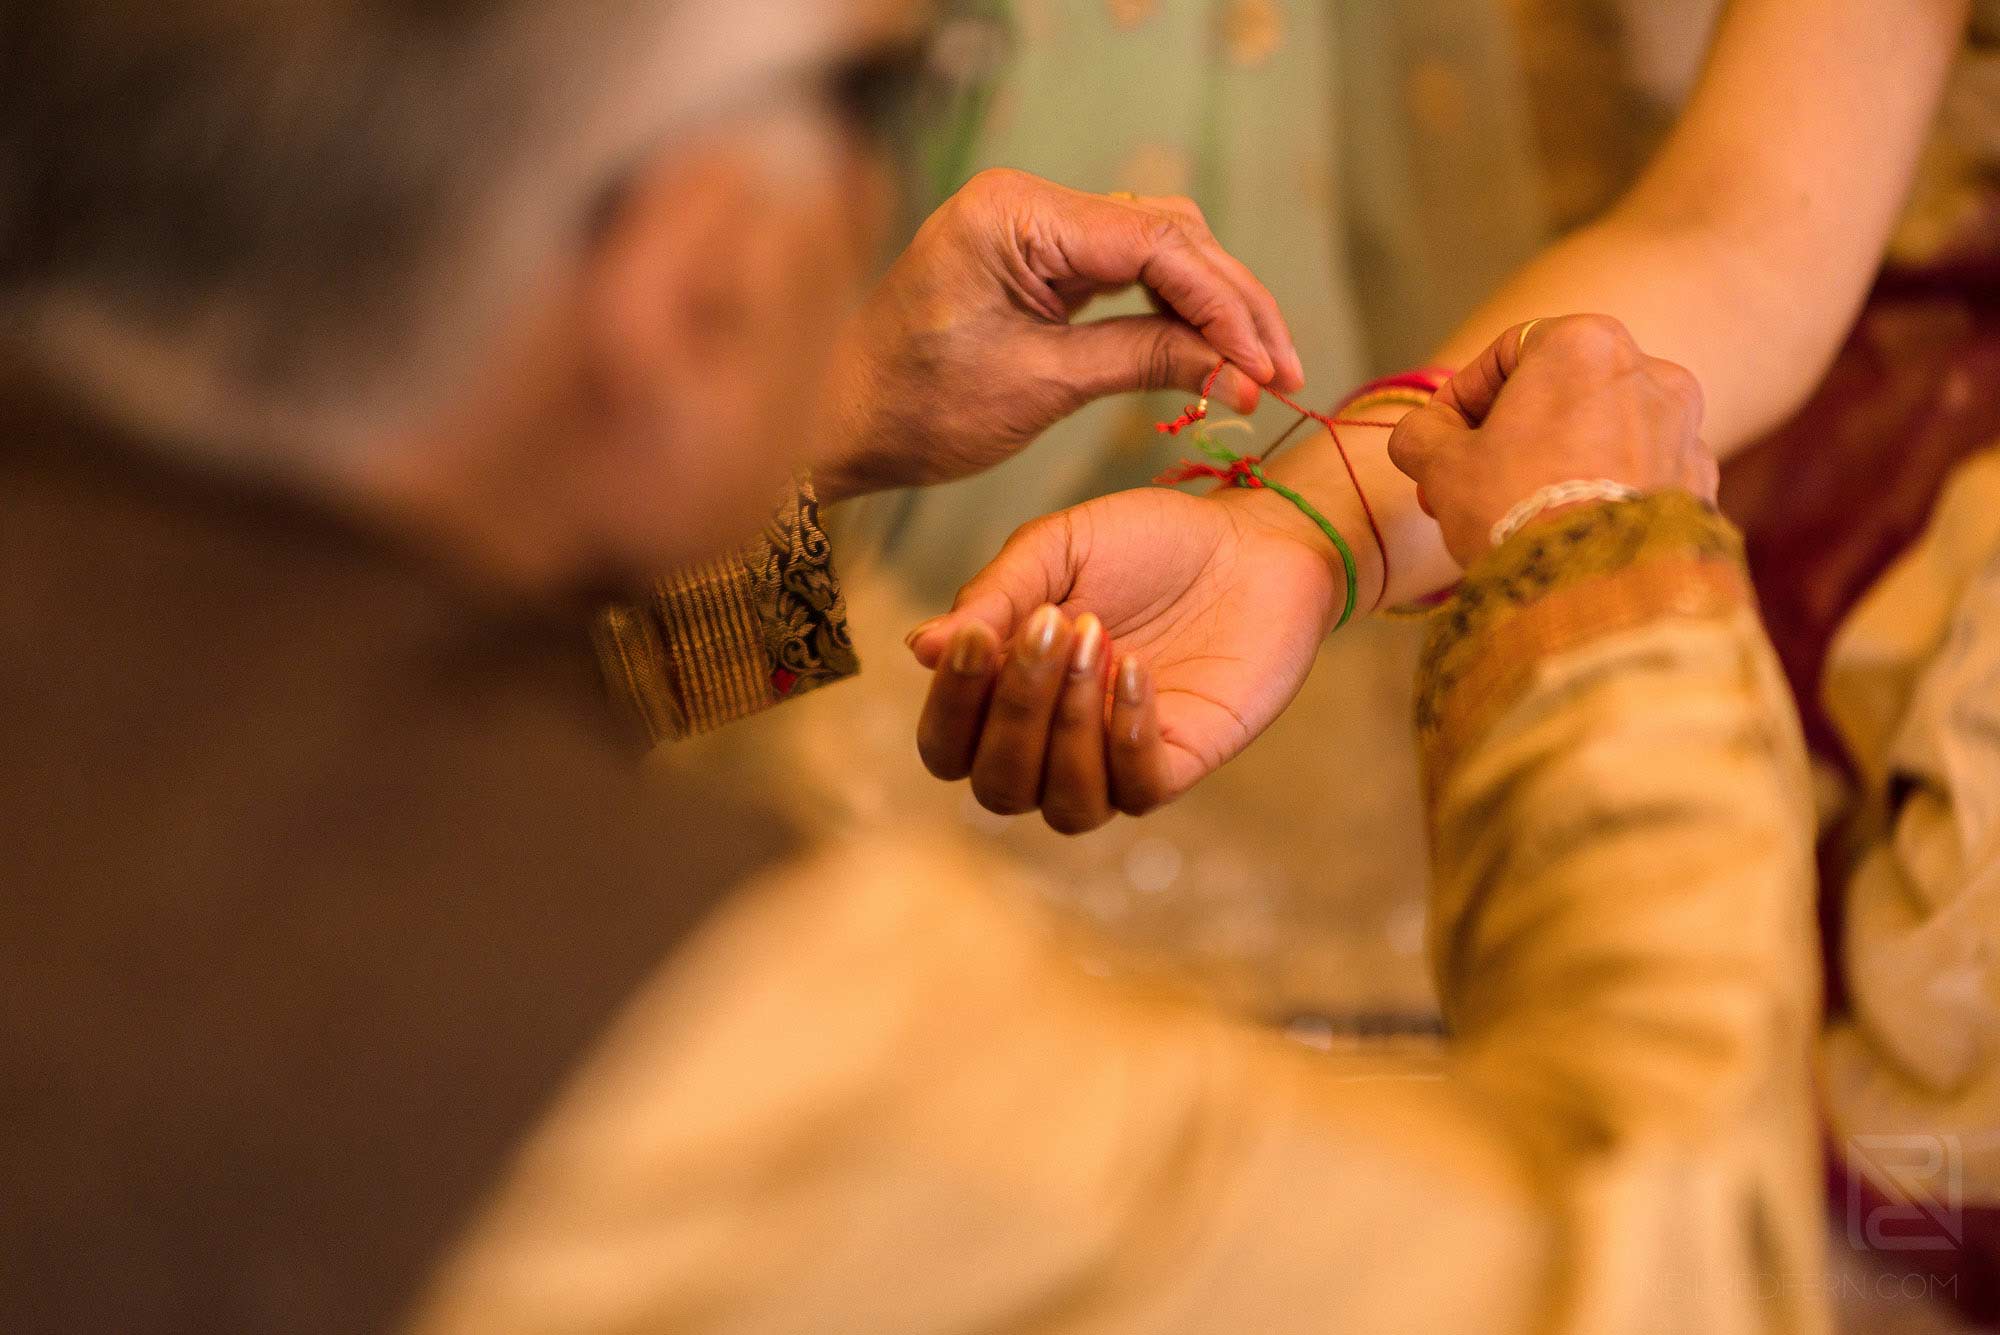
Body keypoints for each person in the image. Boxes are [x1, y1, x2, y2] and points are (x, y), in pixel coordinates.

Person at [1, 6, 1821, 1335]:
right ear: (691, 276)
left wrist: (832, 422)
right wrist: (1590, 574)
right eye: (892, 86)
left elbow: (383, 717)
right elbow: (1657, 1293)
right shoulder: (697, 1032)